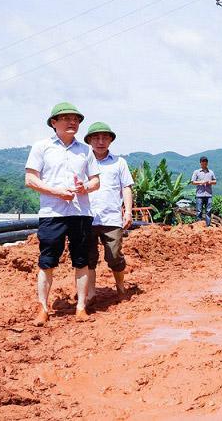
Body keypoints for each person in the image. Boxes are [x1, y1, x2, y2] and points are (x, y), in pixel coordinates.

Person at [25, 102, 100, 325]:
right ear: (53, 123)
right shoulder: (41, 147)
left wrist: (85, 187)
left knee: (82, 261)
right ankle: (43, 308)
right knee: (47, 261)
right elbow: (30, 179)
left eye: (76, 119)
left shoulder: (86, 150)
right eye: (66, 118)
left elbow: (96, 180)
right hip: (52, 213)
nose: (72, 122)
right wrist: (57, 192)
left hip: (80, 213)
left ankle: (80, 307)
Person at [83, 122, 134, 306]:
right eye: (96, 137)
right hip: (87, 217)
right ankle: (90, 294)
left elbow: (126, 187)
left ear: (111, 140)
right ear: (89, 140)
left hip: (112, 217)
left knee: (114, 256)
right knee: (88, 258)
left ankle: (120, 287)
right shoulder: (83, 162)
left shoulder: (119, 162)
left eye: (105, 137)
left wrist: (127, 211)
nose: (100, 141)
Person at [190, 156, 217, 226]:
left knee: (209, 211)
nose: (204, 163)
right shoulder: (196, 172)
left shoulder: (211, 172)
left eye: (205, 161)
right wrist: (200, 182)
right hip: (200, 194)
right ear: (200, 163)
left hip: (208, 194)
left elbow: (215, 181)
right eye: (203, 161)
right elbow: (192, 182)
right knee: (199, 211)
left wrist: (210, 182)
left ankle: (207, 225)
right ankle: (199, 225)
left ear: (207, 163)